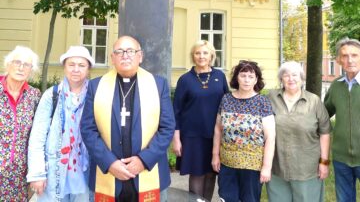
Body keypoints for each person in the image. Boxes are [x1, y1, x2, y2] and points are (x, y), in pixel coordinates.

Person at [80, 35, 175, 202]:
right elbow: (88, 128)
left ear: (140, 56)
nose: (125, 55)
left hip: (148, 171)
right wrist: (109, 163)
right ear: (112, 58)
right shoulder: (96, 86)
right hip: (109, 173)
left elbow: (167, 127)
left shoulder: (158, 85)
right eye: (119, 51)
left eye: (131, 51)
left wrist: (143, 160)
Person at [27, 46, 94, 201]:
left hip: (85, 172)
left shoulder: (96, 94)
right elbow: (37, 137)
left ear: (88, 68)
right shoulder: (52, 95)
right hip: (54, 172)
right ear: (64, 66)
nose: (76, 69)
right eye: (71, 64)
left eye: (81, 65)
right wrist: (37, 174)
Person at [267, 61, 331, 202]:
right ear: (281, 79)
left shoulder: (314, 101)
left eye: (295, 75)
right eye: (286, 75)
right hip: (277, 167)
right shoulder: (270, 98)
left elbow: (325, 133)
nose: (291, 79)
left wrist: (324, 163)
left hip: (307, 169)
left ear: (302, 78)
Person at [172, 40, 228, 201]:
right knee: (197, 174)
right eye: (197, 53)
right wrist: (176, 140)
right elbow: (176, 111)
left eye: (205, 53)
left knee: (211, 174)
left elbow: (227, 104)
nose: (201, 56)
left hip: (216, 136)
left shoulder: (220, 76)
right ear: (193, 56)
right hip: (192, 137)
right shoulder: (185, 79)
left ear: (211, 55)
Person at [212, 60, 275, 202]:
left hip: (252, 167)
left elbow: (270, 137)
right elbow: (218, 128)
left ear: (256, 80)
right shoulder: (226, 99)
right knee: (227, 199)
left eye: (251, 76)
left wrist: (266, 167)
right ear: (236, 78)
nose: (247, 80)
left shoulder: (262, 102)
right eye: (243, 75)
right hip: (227, 164)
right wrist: (215, 155)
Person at [0, 46, 41, 201]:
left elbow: (37, 134)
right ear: (8, 64)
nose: (21, 67)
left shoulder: (34, 96)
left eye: (26, 64)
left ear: (31, 70)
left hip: (18, 173)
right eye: (17, 62)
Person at [324, 37, 360, 202]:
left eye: (354, 55)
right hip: (341, 158)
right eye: (345, 56)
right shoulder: (336, 85)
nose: (350, 60)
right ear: (338, 60)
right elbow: (323, 115)